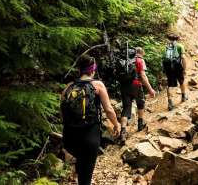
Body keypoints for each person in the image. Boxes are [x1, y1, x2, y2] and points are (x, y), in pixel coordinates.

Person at [61, 54, 120, 185]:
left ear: (79, 70)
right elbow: (109, 109)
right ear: (92, 70)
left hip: (69, 137)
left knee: (81, 165)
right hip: (89, 135)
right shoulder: (97, 85)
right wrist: (116, 124)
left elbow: (63, 112)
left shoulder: (68, 87)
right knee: (86, 176)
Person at [119, 47, 156, 142]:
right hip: (136, 85)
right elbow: (143, 76)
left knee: (126, 108)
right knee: (140, 103)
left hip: (124, 86)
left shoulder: (123, 61)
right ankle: (140, 124)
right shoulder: (139, 61)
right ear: (141, 53)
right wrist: (150, 89)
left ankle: (123, 132)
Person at [162, 33, 188, 111]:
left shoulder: (166, 47)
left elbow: (163, 59)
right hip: (177, 66)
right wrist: (184, 68)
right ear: (177, 39)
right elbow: (183, 57)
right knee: (181, 81)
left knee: (170, 84)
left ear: (169, 39)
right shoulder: (180, 46)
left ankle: (170, 102)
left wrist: (164, 69)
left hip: (168, 67)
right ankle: (183, 97)